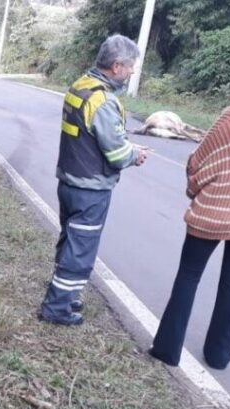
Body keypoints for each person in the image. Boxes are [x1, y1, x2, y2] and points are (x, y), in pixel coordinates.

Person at [39, 34, 149, 325]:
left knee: (70, 242)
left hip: (69, 180)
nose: (132, 72)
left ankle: (66, 296)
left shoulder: (80, 86)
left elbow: (90, 135)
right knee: (81, 248)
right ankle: (57, 308)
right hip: (90, 188)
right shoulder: (103, 100)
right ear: (116, 66)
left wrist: (129, 147)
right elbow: (115, 152)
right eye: (130, 67)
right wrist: (134, 155)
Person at [150, 106, 230, 369]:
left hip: (212, 212)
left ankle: (167, 350)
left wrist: (195, 187)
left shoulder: (229, 117)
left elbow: (198, 160)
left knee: (189, 274)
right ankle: (219, 355)